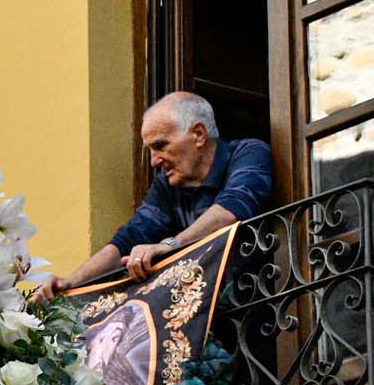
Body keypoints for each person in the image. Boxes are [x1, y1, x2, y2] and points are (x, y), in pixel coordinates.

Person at [41, 92, 272, 298]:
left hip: (267, 312)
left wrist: (170, 245)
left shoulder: (249, 153)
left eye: (161, 146)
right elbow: (129, 239)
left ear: (198, 134)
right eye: (150, 150)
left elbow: (232, 208)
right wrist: (71, 283)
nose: (153, 161)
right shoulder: (167, 186)